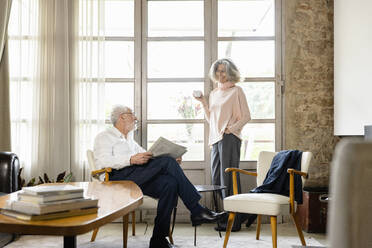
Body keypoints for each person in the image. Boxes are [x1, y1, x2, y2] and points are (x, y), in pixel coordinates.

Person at [94, 105, 225, 248]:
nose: (136, 117)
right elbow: (102, 162)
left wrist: (169, 158)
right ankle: (196, 210)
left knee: (170, 183)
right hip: (117, 179)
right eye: (132, 114)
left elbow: (147, 156)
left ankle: (158, 240)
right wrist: (131, 159)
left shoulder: (130, 138)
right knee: (167, 163)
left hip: (137, 176)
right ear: (122, 117)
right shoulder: (104, 136)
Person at [194, 58, 251, 232]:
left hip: (229, 138)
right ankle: (235, 216)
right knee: (217, 180)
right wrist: (203, 101)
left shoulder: (236, 91)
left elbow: (246, 116)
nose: (220, 74)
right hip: (216, 139)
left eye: (223, 71)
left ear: (230, 72)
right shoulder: (214, 93)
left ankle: (233, 221)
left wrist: (231, 129)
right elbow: (211, 119)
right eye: (218, 71)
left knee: (229, 179)